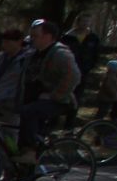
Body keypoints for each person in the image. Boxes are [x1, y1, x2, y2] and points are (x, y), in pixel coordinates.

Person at [17, 18, 80, 171]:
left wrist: (54, 95)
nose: (31, 39)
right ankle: (22, 179)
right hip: (34, 99)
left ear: (48, 36)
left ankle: (31, 152)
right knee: (21, 129)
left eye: (35, 36)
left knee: (29, 112)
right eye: (31, 36)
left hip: (60, 101)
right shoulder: (34, 52)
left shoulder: (60, 53)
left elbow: (74, 76)